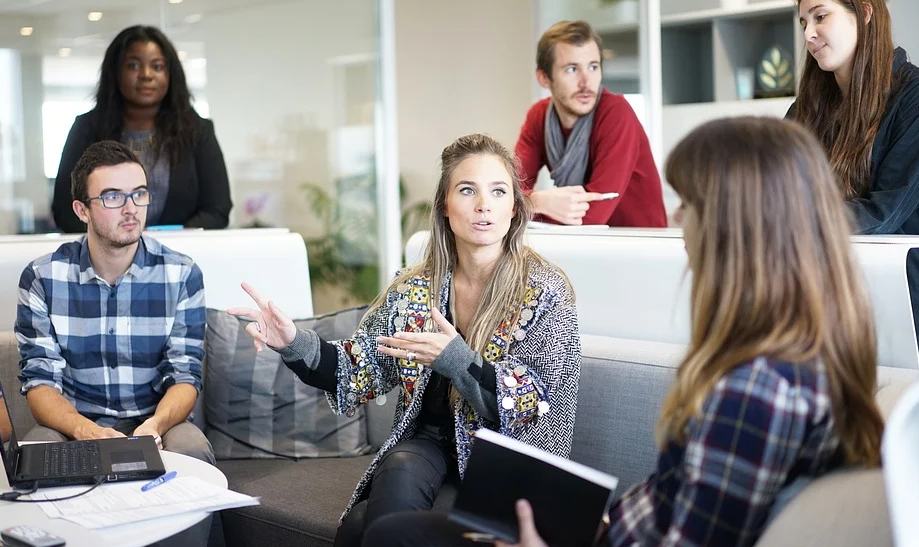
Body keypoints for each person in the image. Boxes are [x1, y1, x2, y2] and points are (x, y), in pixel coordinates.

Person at [369, 117, 886, 547]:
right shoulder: (795, 357)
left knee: (392, 537)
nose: (679, 220)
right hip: (608, 529)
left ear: (739, 226)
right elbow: (676, 503)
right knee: (386, 530)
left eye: (690, 205)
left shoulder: (756, 392)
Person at [229, 133, 582, 547]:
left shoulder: (545, 290)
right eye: (467, 190)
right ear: (445, 208)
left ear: (514, 209)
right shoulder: (415, 288)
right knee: (397, 467)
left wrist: (456, 359)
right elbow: (356, 368)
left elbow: (537, 405)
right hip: (428, 445)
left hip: (506, 459)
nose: (484, 204)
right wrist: (292, 341)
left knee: (363, 524)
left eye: (498, 191)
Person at [17, 140, 214, 465]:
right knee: (35, 452)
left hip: (157, 422)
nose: (131, 208)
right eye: (112, 197)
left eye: (139, 193)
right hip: (74, 423)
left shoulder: (181, 274)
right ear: (82, 210)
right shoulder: (43, 277)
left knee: (192, 449)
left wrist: (154, 426)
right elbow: (39, 381)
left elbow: (185, 375)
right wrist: (86, 430)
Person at [791, 0, 919, 338]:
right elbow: (776, 192)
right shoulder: (805, 109)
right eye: (803, 21)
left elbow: (883, 213)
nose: (808, 34)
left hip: (902, 302)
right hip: (824, 297)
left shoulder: (913, 97)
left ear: (864, 12)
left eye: (820, 17)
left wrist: (786, 221)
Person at [51, 25, 232, 233]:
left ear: (170, 74)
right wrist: (119, 238)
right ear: (115, 72)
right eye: (133, 66)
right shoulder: (87, 129)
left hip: (180, 256)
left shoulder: (198, 131)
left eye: (157, 67)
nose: (146, 75)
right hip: (106, 258)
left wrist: (165, 240)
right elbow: (65, 210)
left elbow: (217, 210)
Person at [514, 20, 666, 228]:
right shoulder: (539, 117)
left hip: (639, 247)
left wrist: (525, 206)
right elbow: (507, 192)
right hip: (583, 245)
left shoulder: (616, 113)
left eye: (593, 67)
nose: (586, 82)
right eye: (571, 69)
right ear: (544, 78)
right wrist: (538, 201)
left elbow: (592, 216)